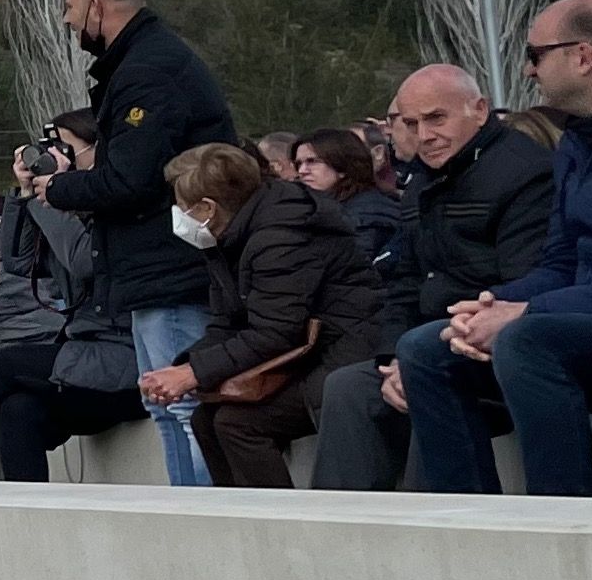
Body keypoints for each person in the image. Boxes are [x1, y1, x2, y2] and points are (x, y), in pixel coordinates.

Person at [397, 0, 592, 495]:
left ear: (583, 57)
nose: (527, 70)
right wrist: (492, 306)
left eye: (536, 54)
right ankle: (472, 523)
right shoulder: (578, 137)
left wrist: (527, 311)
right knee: (424, 348)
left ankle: (560, 520)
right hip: (588, 309)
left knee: (527, 340)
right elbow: (562, 260)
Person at [34, 0, 240, 486]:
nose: (67, 20)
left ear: (98, 8)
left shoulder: (147, 71)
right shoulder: (145, 63)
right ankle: (181, 519)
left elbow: (132, 178)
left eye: (71, 8)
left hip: (170, 268)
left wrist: (59, 188)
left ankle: (202, 523)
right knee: (164, 407)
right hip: (153, 268)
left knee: (184, 408)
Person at [308, 68, 551, 493]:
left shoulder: (524, 173)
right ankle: (343, 539)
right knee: (348, 388)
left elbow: (523, 283)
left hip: (490, 346)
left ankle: (449, 530)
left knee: (426, 378)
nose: (424, 135)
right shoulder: (423, 182)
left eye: (437, 118)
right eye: (411, 123)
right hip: (427, 342)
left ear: (478, 111)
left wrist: (417, 356)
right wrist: (392, 358)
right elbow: (405, 282)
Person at [138, 142, 384, 487]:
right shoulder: (231, 234)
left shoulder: (281, 234)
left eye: (182, 206)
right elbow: (227, 322)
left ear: (208, 208)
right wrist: (184, 369)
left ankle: (278, 530)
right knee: (205, 420)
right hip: (303, 353)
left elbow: (275, 331)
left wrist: (194, 372)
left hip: (342, 352)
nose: (177, 214)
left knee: (238, 424)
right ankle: (238, 525)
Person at [0, 117, 146, 481]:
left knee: (8, 361)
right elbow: (17, 261)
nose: (53, 158)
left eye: (65, 150)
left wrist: (55, 197)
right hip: (86, 353)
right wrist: (27, 194)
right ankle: (29, 516)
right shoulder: (71, 210)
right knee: (18, 410)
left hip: (126, 359)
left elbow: (82, 262)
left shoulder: (121, 210)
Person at [292, 129, 407, 273]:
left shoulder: (369, 214)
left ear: (342, 165)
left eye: (312, 162)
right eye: (298, 164)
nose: (302, 170)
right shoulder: (320, 208)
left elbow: (352, 271)